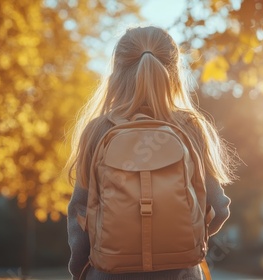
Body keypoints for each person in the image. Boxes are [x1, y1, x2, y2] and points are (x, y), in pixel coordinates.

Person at [66, 26, 238, 280]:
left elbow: (79, 211)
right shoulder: (189, 127)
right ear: (175, 73)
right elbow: (220, 209)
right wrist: (188, 239)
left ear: (117, 72)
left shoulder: (98, 129)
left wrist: (79, 268)